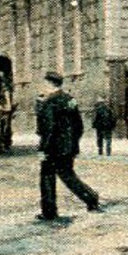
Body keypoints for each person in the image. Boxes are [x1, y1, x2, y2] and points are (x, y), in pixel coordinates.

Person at [35, 71, 101, 220]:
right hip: (68, 146)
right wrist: (72, 144)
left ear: (48, 84)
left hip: (52, 148)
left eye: (44, 84)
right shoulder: (69, 99)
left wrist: (43, 148)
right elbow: (79, 126)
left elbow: (48, 128)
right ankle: (90, 198)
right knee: (67, 175)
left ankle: (49, 212)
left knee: (47, 177)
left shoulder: (49, 102)